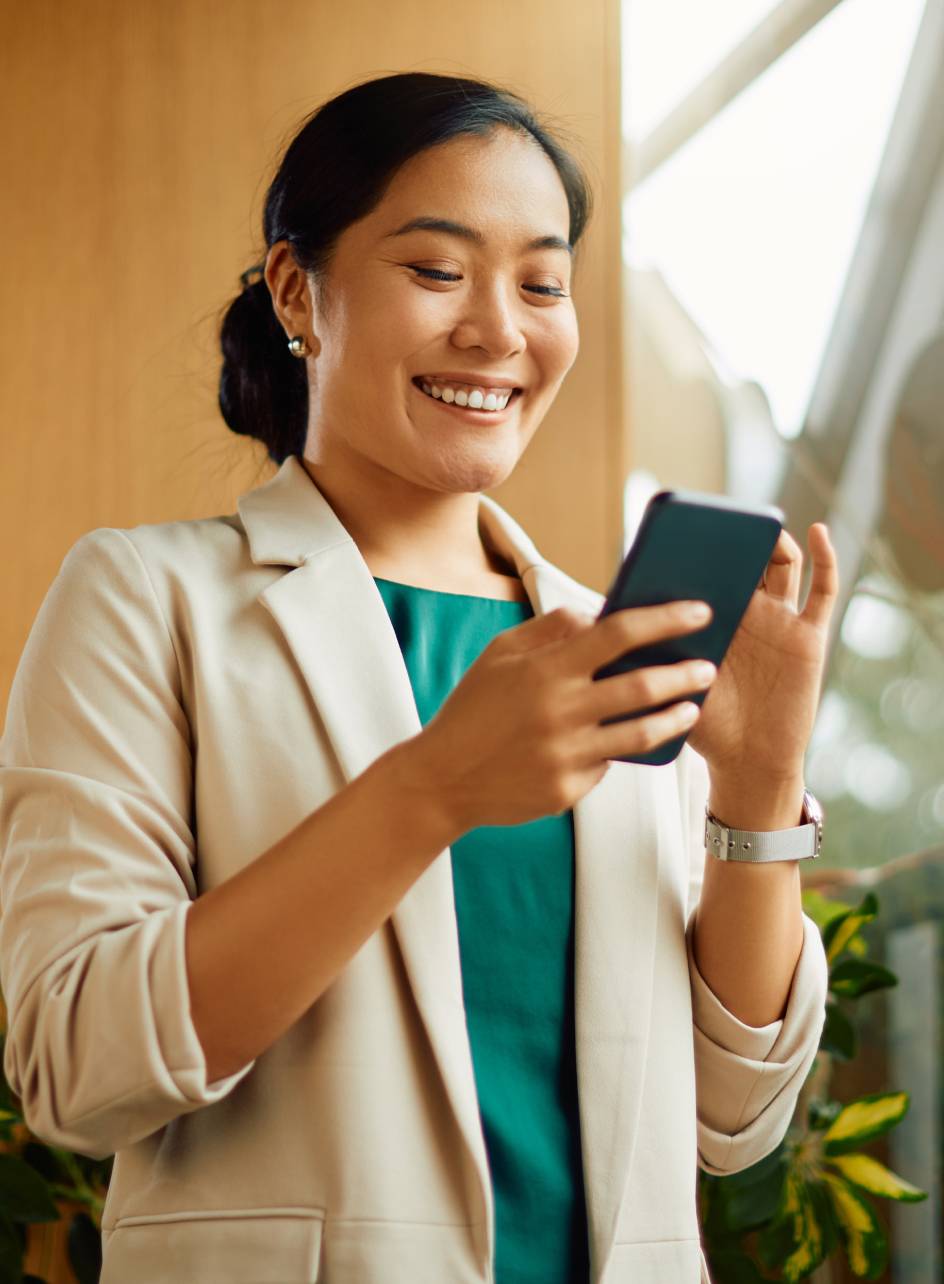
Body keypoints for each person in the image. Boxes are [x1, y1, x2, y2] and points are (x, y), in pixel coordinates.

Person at [0, 72, 837, 1284]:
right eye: (438, 271)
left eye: (542, 282)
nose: (499, 329)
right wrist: (430, 789)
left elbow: (729, 1121)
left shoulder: (605, 643)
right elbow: (78, 1069)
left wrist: (758, 798)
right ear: (298, 290)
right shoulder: (145, 598)